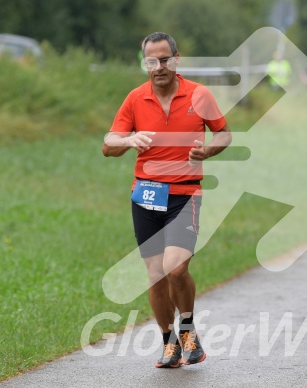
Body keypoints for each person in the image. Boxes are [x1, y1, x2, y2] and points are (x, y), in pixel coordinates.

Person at [101, 32, 232, 368]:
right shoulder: (135, 99)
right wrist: (129, 140)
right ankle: (169, 342)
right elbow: (108, 146)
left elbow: (224, 133)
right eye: (150, 61)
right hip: (145, 194)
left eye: (164, 59)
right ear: (144, 62)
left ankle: (188, 328)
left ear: (176, 59)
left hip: (185, 192)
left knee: (176, 268)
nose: (157, 67)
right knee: (156, 275)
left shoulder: (199, 95)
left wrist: (208, 149)